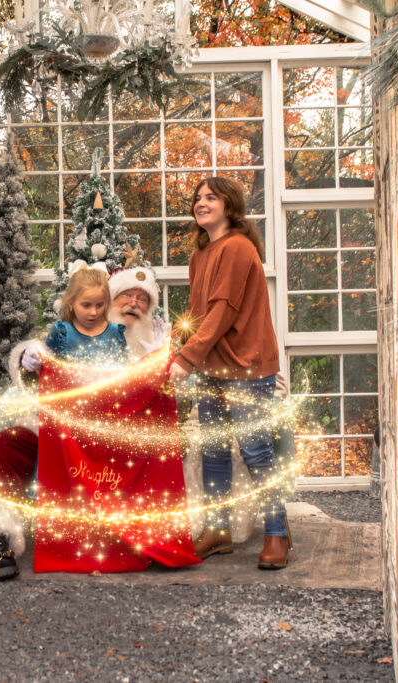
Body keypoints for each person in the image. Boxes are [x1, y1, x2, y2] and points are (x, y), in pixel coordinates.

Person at [0, 265, 170, 585]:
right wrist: (28, 359)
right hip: (53, 435)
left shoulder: (153, 343)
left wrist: (163, 367)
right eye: (125, 295)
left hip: (111, 451)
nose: (133, 303)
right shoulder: (71, 333)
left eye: (142, 298)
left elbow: (168, 411)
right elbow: (39, 371)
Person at [167, 176, 291, 570]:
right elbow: (199, 313)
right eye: (197, 198)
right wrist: (176, 340)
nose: (201, 203)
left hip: (247, 366)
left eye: (210, 198)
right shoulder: (200, 255)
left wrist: (186, 359)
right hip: (211, 367)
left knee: (255, 450)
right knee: (214, 450)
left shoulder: (237, 247)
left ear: (229, 206)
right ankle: (218, 530)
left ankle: (277, 533)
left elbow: (224, 312)